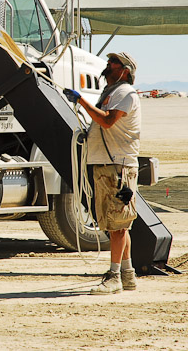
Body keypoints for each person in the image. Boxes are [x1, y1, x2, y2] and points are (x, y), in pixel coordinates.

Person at [63, 52, 140, 294]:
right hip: (108, 164)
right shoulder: (112, 93)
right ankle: (128, 274)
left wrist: (81, 102)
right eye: (109, 62)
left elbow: (108, 121)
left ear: (124, 71)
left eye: (113, 63)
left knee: (117, 225)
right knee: (119, 224)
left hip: (118, 167)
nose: (108, 66)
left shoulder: (126, 93)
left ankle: (114, 277)